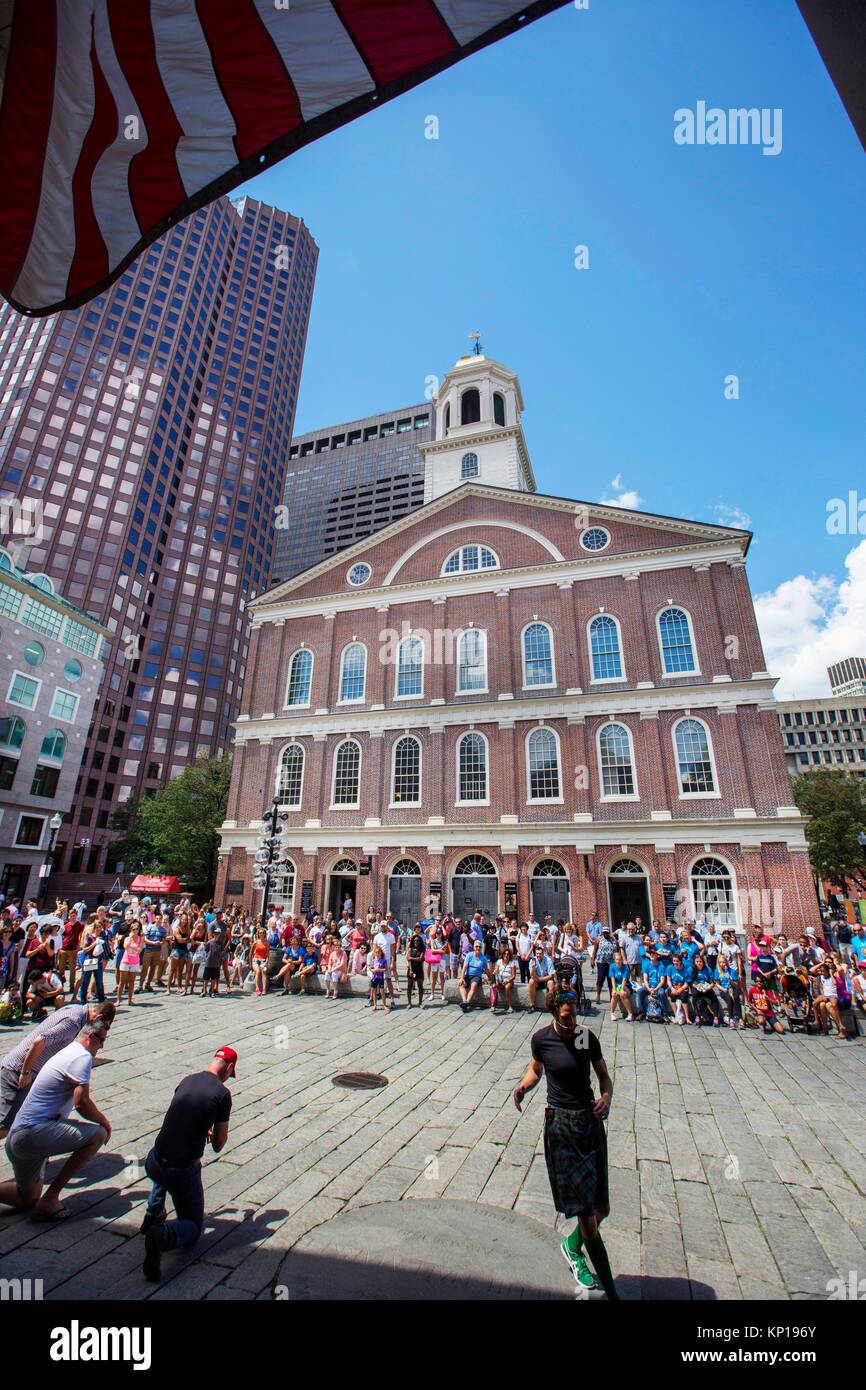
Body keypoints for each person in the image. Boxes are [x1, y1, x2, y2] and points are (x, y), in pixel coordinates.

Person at [513, 989, 618, 1299]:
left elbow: (603, 1076)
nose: (572, 1021)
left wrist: (607, 1098)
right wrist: (522, 1087)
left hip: (589, 1124)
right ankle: (613, 1294)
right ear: (554, 1012)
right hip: (560, 1126)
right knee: (587, 1217)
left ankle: (571, 1246)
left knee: (602, 1208)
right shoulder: (542, 1040)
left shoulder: (585, 1037)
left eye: (574, 1013)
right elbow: (536, 1069)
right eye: (566, 1016)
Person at [140, 1046, 237, 1281]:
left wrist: (203, 1126)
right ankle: (162, 1235)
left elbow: (181, 1118)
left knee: (168, 1153)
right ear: (230, 1068)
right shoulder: (222, 1094)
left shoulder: (187, 1080)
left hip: (153, 1161)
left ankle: (153, 1213)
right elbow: (219, 1145)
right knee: (193, 1227)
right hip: (181, 1171)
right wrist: (213, 1130)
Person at [0, 1021, 112, 1221]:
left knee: (27, 1198)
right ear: (90, 1037)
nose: (101, 1046)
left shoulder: (66, 1051)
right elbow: (82, 1102)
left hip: (18, 1136)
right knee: (98, 1134)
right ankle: (51, 1198)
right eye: (101, 1041)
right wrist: (105, 1122)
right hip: (32, 1133)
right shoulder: (82, 1056)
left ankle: (40, 1198)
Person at [1, 1002, 115, 1138]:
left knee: (25, 1122)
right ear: (98, 1017)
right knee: (5, 1126)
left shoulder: (76, 1009)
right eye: (101, 1027)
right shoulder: (73, 1022)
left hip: (29, 1070)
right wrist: (25, 1071)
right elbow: (39, 1041)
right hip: (19, 1070)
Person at [459, 940, 491, 1011]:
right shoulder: (469, 955)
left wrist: (490, 978)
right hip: (468, 974)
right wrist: (462, 977)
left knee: (474, 986)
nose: (478, 948)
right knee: (461, 984)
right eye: (476, 946)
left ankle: (467, 1002)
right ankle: (465, 1001)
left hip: (476, 976)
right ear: (474, 947)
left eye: (479, 947)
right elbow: (464, 967)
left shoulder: (483, 958)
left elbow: (486, 970)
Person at [528, 942, 556, 1010]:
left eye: (540, 954)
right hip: (537, 980)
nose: (538, 955)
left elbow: (551, 975)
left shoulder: (548, 960)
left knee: (551, 983)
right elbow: (532, 976)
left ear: (543, 954)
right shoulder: (532, 960)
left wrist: (540, 979)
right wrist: (533, 968)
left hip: (545, 980)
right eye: (537, 953)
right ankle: (533, 1005)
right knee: (531, 981)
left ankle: (551, 1004)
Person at [492, 947, 517, 1013]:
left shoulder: (512, 963)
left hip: (508, 980)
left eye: (508, 954)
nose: (506, 955)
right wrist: (495, 973)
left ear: (510, 955)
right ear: (502, 954)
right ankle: (493, 1005)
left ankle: (510, 1006)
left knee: (507, 987)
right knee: (494, 986)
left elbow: (514, 976)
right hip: (500, 979)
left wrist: (508, 981)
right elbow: (496, 970)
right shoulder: (499, 961)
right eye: (505, 954)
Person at [405, 926, 426, 1007]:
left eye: (417, 940)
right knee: (409, 986)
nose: (416, 942)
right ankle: (409, 1003)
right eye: (414, 940)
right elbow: (408, 959)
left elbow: (421, 959)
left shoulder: (422, 949)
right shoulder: (410, 949)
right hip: (411, 969)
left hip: (419, 969)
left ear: (420, 941)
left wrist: (412, 958)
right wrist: (410, 969)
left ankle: (420, 1003)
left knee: (420, 986)